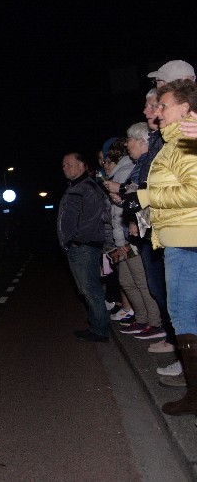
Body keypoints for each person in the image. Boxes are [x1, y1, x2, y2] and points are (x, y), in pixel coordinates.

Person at [135, 79, 197, 415]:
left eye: (164, 105)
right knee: (186, 319)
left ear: (185, 109)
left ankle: (195, 396)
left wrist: (145, 196)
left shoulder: (187, 140)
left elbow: (195, 192)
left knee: (186, 318)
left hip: (189, 243)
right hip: (180, 241)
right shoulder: (176, 143)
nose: (158, 112)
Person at [106, 134, 164, 339]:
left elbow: (139, 198)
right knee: (129, 280)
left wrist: (121, 193)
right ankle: (143, 319)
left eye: (106, 160)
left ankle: (155, 323)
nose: (104, 165)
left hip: (136, 234)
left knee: (143, 281)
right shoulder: (134, 168)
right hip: (127, 235)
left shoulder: (131, 170)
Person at [58, 152, 113, 342]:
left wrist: (77, 240)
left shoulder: (87, 187)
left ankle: (100, 330)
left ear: (82, 166)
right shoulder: (76, 187)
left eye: (70, 164)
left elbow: (92, 217)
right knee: (86, 289)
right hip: (78, 247)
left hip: (84, 247)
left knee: (91, 289)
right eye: (64, 165)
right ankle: (96, 326)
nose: (66, 168)